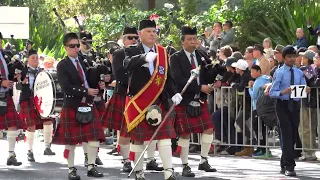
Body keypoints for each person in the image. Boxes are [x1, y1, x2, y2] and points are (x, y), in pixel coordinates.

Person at [123, 19, 181, 180]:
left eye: (154, 32)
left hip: (159, 101)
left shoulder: (162, 52)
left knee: (164, 138)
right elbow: (126, 65)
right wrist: (143, 58)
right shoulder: (132, 50)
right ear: (140, 34)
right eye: (149, 31)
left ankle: (169, 172)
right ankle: (139, 172)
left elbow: (167, 77)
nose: (152, 34)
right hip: (139, 102)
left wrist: (174, 93)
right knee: (139, 140)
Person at [103, 26, 164, 173]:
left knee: (151, 126)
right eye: (130, 38)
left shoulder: (145, 52)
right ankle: (125, 161)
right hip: (126, 94)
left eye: (135, 38)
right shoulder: (119, 53)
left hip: (146, 95)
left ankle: (150, 160)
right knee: (125, 131)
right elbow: (119, 75)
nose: (133, 40)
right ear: (123, 40)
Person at [53, 32, 105, 180]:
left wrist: (100, 85)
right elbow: (66, 87)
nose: (76, 48)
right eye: (72, 46)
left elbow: (90, 80)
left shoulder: (84, 61)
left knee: (94, 137)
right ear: (65, 48)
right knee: (71, 142)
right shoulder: (62, 65)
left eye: (77, 45)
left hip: (88, 103)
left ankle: (91, 166)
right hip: (72, 104)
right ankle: (71, 169)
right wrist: (85, 90)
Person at [170, 26, 217, 178]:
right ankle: (185, 165)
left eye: (194, 39)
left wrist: (216, 76)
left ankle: (203, 160)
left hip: (200, 100)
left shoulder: (202, 55)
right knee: (184, 134)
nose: (193, 42)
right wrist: (199, 87)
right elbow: (178, 80)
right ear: (182, 41)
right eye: (189, 39)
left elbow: (208, 74)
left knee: (209, 129)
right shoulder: (175, 57)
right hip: (185, 100)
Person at [269, 45, 310, 177]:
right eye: (289, 57)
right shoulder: (279, 72)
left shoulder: (299, 73)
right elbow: (272, 92)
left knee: (292, 136)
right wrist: (283, 91)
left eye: (294, 56)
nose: (292, 59)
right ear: (284, 57)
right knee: (286, 134)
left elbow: (302, 88)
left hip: (295, 105)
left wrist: (306, 89)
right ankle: (289, 166)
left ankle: (283, 162)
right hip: (282, 105)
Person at [17, 49, 56, 162]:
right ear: (28, 60)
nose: (35, 59)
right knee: (31, 125)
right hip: (28, 100)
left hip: (41, 100)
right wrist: (22, 82)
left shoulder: (42, 72)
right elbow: (18, 87)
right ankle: (30, 151)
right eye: (32, 58)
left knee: (48, 121)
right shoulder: (23, 71)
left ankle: (47, 147)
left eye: (36, 57)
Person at [0, 32, 24, 166]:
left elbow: (8, 72)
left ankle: (11, 155)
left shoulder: (4, 55)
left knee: (13, 126)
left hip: (5, 95)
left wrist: (15, 77)